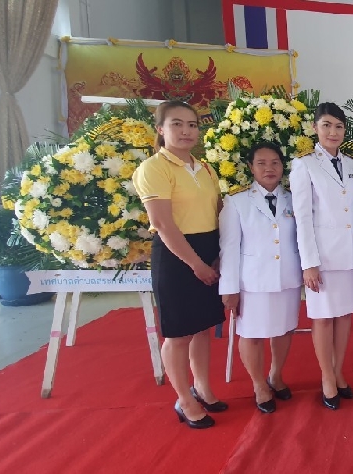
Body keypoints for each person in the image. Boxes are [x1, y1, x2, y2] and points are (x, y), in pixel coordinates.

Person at [133, 100, 226, 429]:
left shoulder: (206, 168)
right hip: (177, 256)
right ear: (161, 129)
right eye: (177, 124)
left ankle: (203, 388)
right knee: (178, 334)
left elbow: (218, 213)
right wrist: (196, 264)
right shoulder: (153, 168)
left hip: (208, 249)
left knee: (202, 328)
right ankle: (184, 400)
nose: (186, 131)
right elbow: (163, 224)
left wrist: (218, 255)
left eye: (192, 124)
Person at [218, 142, 302, 414]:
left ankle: (275, 375)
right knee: (251, 334)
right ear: (251, 167)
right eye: (262, 163)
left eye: (275, 162)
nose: (269, 168)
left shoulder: (294, 199)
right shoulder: (236, 202)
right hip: (252, 282)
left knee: (284, 329)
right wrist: (229, 288)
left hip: (288, 278)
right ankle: (258, 384)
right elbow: (229, 248)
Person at [289, 103, 353, 410]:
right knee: (322, 318)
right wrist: (309, 263)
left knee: (344, 316)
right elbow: (302, 217)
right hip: (322, 257)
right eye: (327, 125)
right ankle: (326, 377)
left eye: (339, 127)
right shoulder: (304, 165)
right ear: (315, 128)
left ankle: (338, 370)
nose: (333, 132)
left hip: (350, 253)